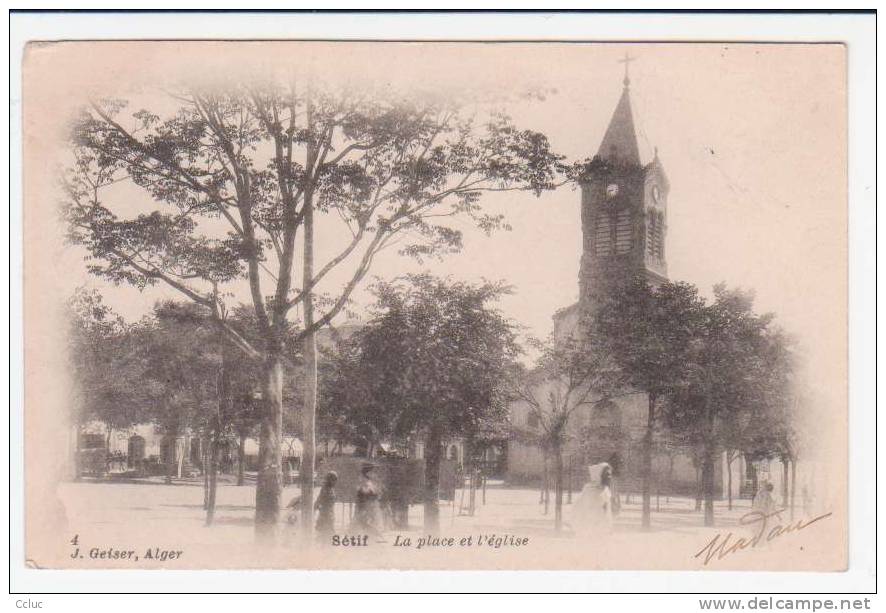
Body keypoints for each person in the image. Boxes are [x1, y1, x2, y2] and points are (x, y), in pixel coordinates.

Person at [569, 462, 614, 537]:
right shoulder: (589, 491)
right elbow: (579, 512)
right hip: (589, 530)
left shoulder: (606, 491)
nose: (609, 477)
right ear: (598, 475)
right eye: (607, 474)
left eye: (610, 474)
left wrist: (609, 527)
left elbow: (608, 513)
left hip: (603, 530)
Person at [354, 463, 384, 537]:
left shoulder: (367, 480)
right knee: (366, 521)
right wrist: (373, 494)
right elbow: (364, 491)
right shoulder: (364, 480)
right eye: (372, 471)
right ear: (368, 472)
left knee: (369, 521)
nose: (374, 473)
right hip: (366, 505)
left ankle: (374, 534)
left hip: (368, 504)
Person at [314, 471, 338, 540]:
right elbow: (319, 500)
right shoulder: (325, 489)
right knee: (326, 536)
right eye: (334, 480)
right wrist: (317, 508)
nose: (335, 482)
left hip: (329, 514)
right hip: (325, 516)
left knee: (327, 536)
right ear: (329, 480)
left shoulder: (330, 489)